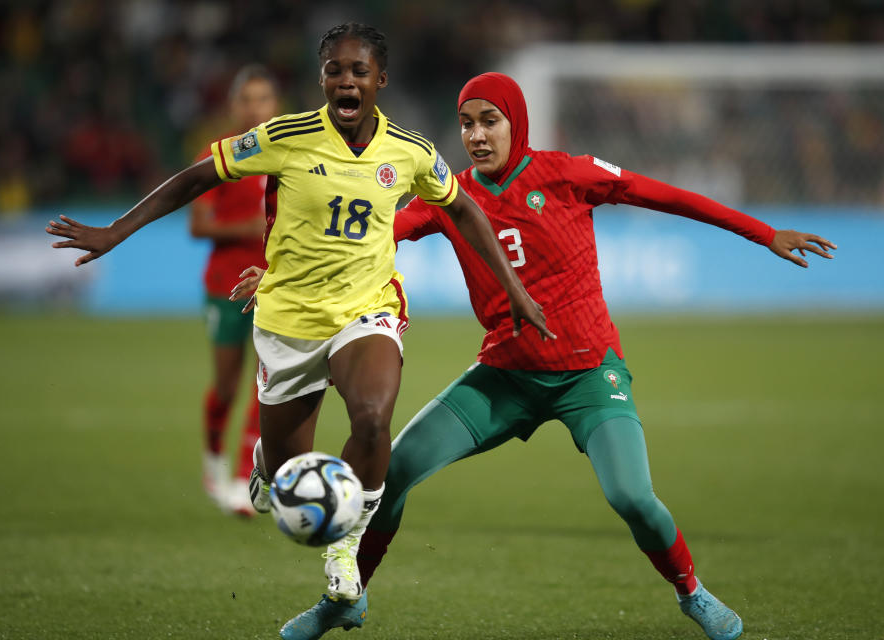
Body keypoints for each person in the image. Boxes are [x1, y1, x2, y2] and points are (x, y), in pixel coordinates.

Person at [231, 72, 836, 640]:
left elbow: (668, 197)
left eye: (489, 120)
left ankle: (690, 589)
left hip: (589, 375)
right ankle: (347, 598)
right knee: (393, 472)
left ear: (515, 124)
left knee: (632, 498)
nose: (476, 134)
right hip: (505, 376)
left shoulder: (566, 174)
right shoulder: (451, 195)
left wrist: (764, 233)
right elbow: (360, 233)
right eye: (466, 123)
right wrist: (281, 271)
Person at [47, 27, 552, 638]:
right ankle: (267, 461)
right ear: (322, 79)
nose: (347, 80)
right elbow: (197, 177)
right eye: (335, 70)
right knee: (290, 466)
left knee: (371, 416)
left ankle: (343, 551)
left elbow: (463, 209)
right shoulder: (285, 137)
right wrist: (115, 232)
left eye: (359, 71)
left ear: (379, 82)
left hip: (366, 309)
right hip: (287, 321)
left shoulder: (411, 151)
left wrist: (515, 290)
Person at [190, 64, 278, 516]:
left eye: (263, 100)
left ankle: (248, 477)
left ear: (275, 106)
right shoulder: (220, 155)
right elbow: (197, 223)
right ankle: (214, 460)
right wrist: (244, 227)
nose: (255, 109)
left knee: (268, 382)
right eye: (248, 100)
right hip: (226, 286)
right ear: (233, 105)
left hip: (273, 288)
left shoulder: (287, 153)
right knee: (226, 386)